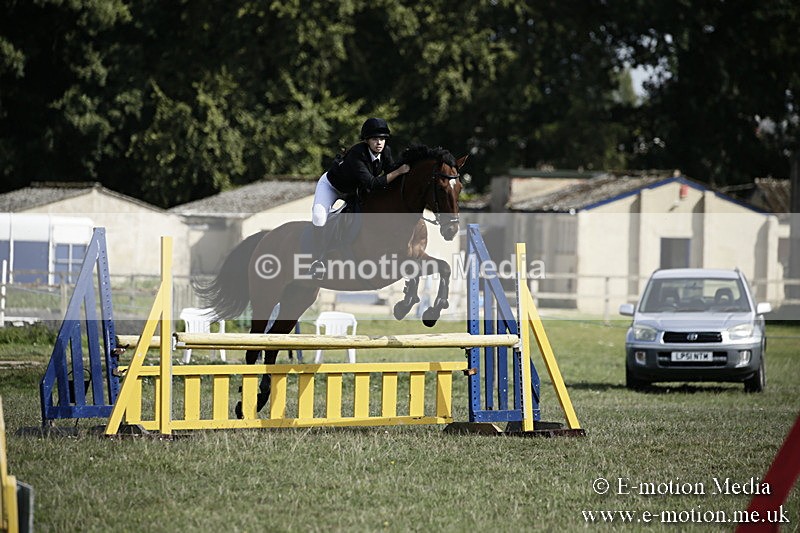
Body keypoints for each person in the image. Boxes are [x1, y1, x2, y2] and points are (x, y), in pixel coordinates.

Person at [309, 117, 410, 279]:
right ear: (367, 140)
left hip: (353, 191)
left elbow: (390, 171)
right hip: (332, 186)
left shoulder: (386, 151)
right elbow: (372, 183)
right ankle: (317, 261)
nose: (379, 142)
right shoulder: (357, 154)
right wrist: (398, 172)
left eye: (382, 138)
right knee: (319, 217)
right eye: (375, 139)